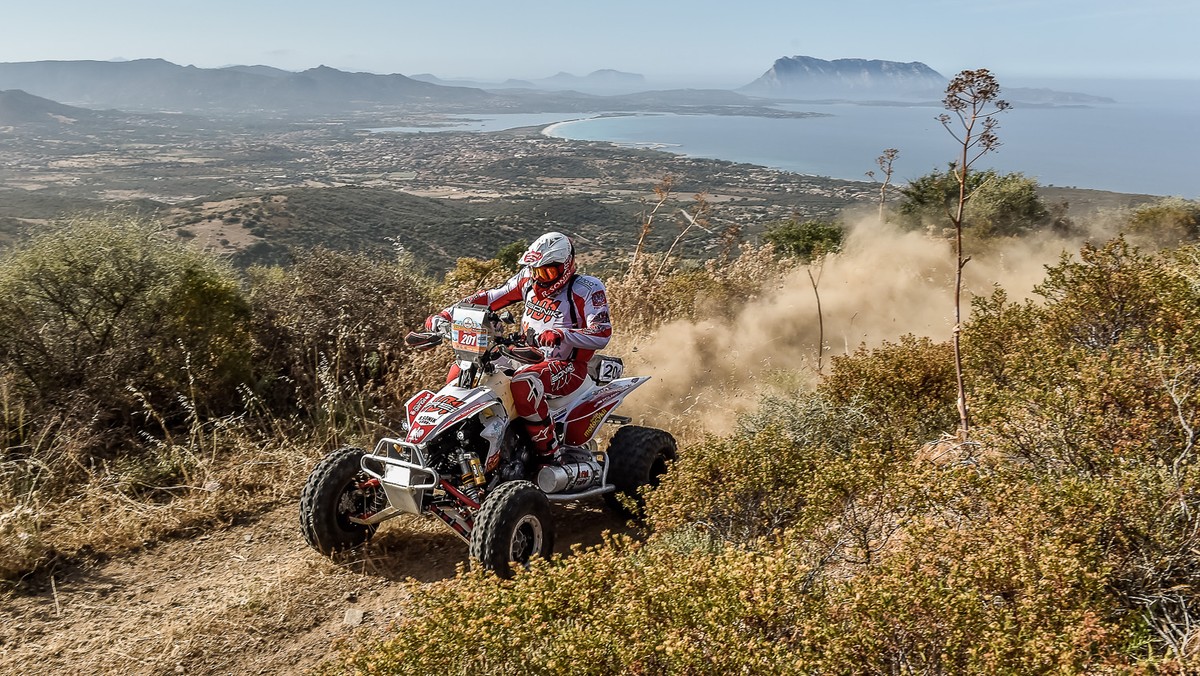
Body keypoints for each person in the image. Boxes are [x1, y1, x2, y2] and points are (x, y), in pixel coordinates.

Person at [425, 232, 612, 464]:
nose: (540, 278)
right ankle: (453, 447)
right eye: (536, 271)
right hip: (523, 354)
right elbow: (490, 297)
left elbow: (602, 333)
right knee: (462, 372)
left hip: (567, 365)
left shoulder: (586, 288)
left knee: (523, 385)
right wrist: (446, 314)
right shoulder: (527, 280)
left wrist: (563, 334)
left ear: (565, 267)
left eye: (548, 272)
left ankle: (550, 454)